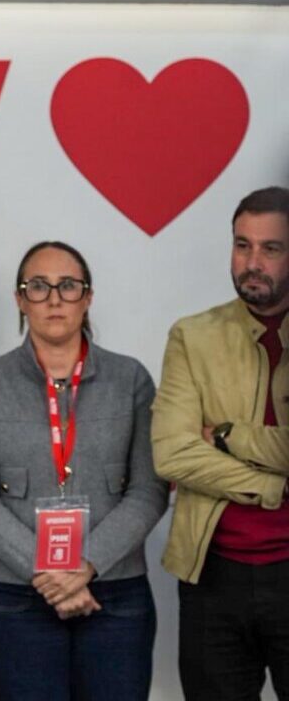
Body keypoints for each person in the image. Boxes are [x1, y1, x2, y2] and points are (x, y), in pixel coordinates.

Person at [0, 241, 167, 700]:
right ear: (19, 299)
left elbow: (149, 491)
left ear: (88, 297)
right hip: (16, 597)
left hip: (115, 593)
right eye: (38, 286)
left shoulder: (131, 379)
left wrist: (84, 565)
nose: (53, 299)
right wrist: (50, 571)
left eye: (68, 286)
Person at [153, 186, 289, 700]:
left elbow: (205, 446)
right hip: (213, 577)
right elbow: (172, 452)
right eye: (242, 245)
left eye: (271, 248)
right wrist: (273, 486)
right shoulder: (193, 336)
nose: (252, 262)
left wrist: (231, 436)